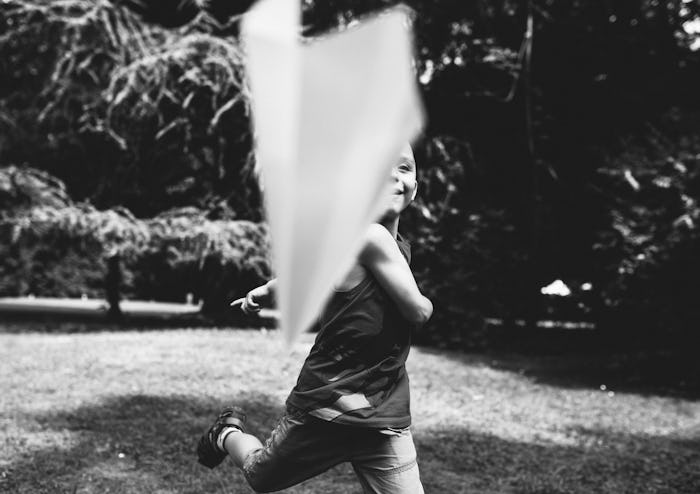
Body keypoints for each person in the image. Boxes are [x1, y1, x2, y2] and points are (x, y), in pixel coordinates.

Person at [196, 143, 433, 493]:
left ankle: (226, 433)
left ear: (416, 185)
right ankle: (227, 433)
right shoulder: (371, 238)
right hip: (327, 409)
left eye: (404, 167)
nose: (393, 176)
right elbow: (418, 311)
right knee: (262, 477)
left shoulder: (382, 243)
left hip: (383, 417)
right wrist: (426, 302)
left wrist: (265, 290)